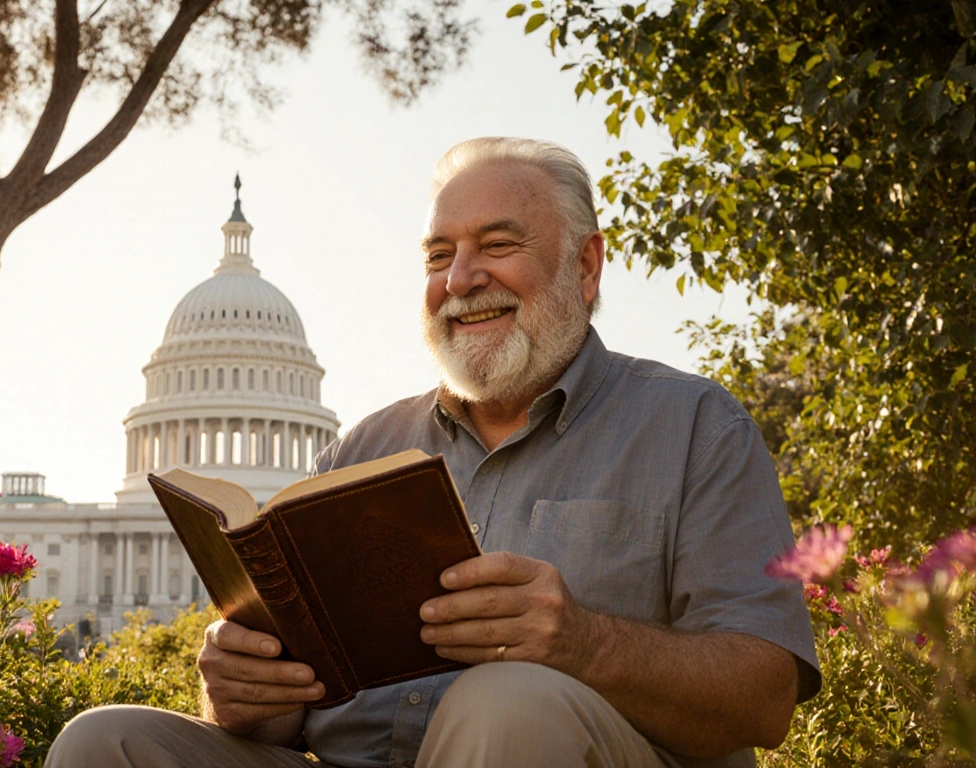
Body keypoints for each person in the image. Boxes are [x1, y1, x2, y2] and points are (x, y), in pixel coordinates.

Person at [46, 137, 820, 768]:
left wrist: (585, 643)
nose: (461, 279)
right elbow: (283, 720)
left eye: (497, 245)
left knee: (505, 701)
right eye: (438, 254)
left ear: (586, 267)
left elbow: (764, 697)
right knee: (104, 745)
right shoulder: (365, 449)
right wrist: (247, 690)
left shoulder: (693, 427)